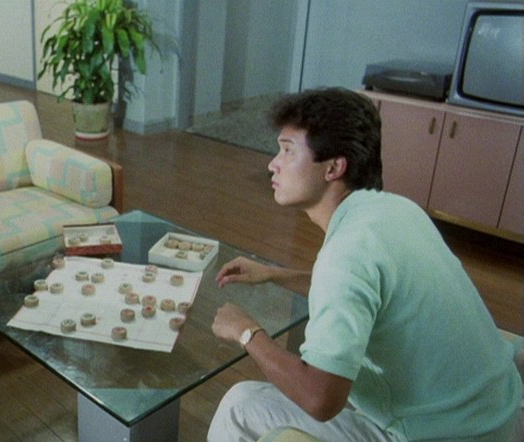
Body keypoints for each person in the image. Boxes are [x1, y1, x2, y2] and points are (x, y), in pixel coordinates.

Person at [207, 87, 521, 441]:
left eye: (287, 150)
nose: (272, 164)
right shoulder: (397, 209)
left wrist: (247, 332)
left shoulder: (346, 254)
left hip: (443, 435)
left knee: (239, 406)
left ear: (333, 167)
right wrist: (274, 274)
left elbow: (319, 398)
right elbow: (366, 290)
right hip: (497, 415)